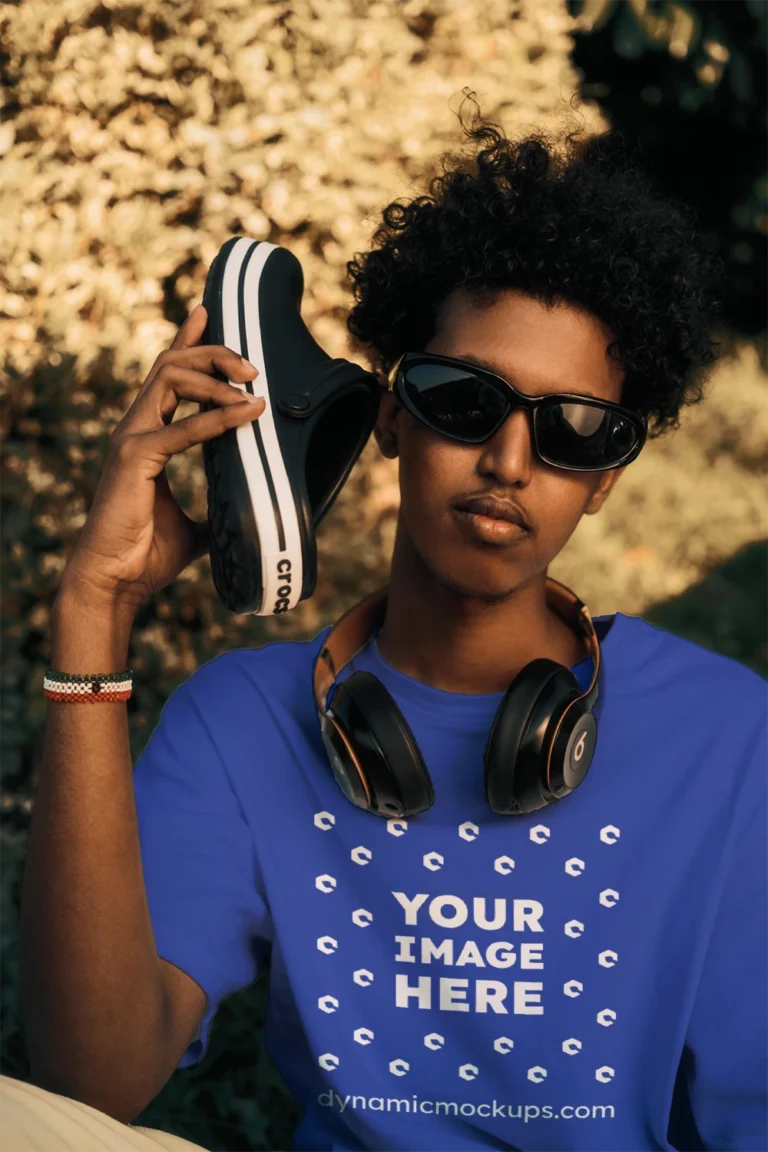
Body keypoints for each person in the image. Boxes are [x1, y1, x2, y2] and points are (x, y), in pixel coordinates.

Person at [9, 109, 767, 1152]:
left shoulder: (730, 737)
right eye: (464, 400)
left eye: (574, 430)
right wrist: (93, 612)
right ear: (391, 415)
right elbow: (88, 1084)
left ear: (605, 481)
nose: (508, 460)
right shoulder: (244, 722)